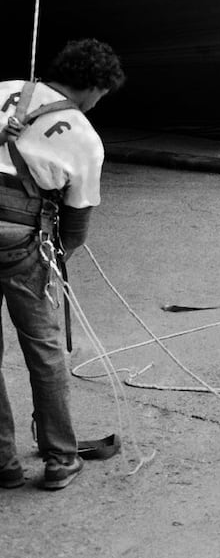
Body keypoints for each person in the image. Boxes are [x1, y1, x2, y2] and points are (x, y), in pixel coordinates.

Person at [0, 38, 125, 490]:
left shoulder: (4, 89)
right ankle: (59, 459)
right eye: (100, 97)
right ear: (93, 88)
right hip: (20, 239)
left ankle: (2, 463)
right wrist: (55, 258)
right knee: (44, 349)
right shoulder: (84, 135)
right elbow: (76, 225)